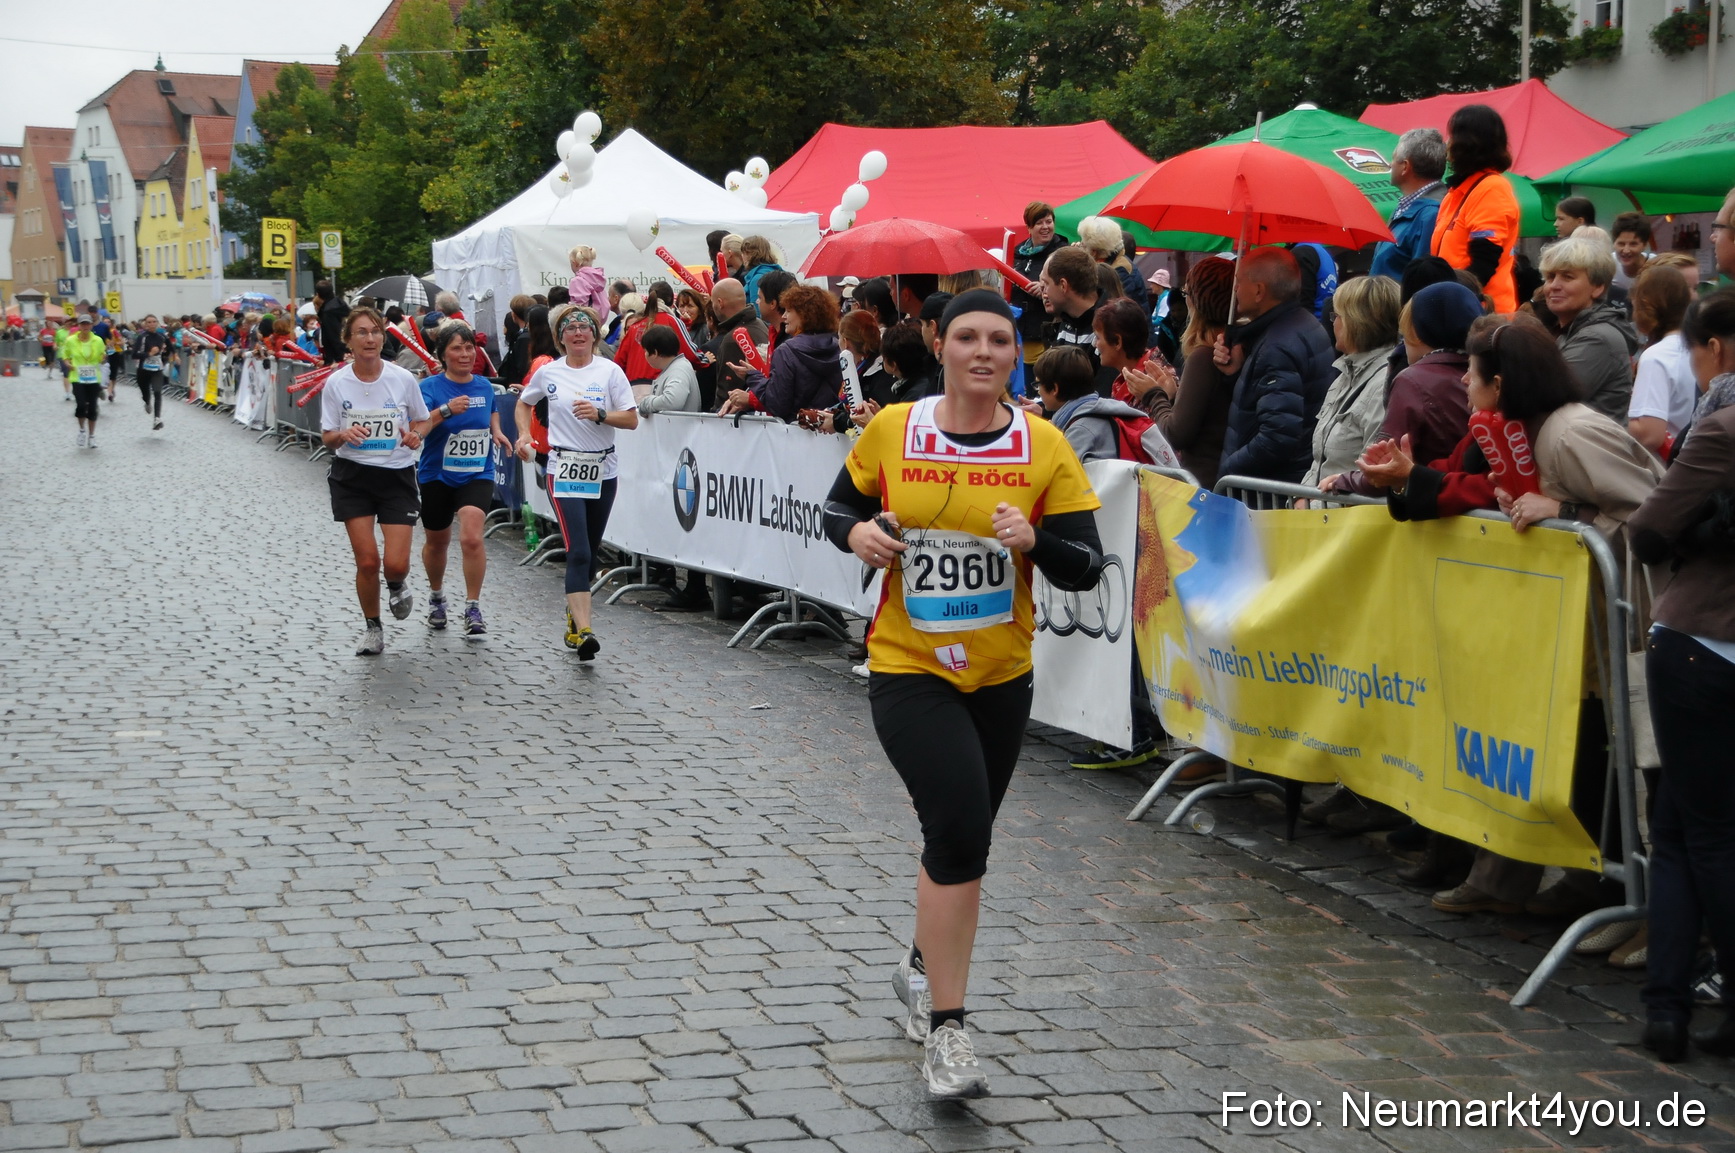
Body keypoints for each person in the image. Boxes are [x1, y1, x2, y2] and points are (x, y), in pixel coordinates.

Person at [822, 288, 1105, 1099]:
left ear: (1016, 354)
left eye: (1001, 340)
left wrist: (1035, 539)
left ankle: (921, 964)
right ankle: (949, 1033)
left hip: (1000, 674)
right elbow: (840, 504)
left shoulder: (1042, 444)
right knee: (956, 831)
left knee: (967, 834)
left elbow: (1084, 563)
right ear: (937, 343)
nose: (984, 352)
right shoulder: (893, 428)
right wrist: (856, 532)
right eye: (969, 337)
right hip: (909, 665)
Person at [1359, 320, 1663, 916]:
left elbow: (1652, 513)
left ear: (1499, 383)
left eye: (1471, 374)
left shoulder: (1571, 433)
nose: (1463, 385)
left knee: (1613, 753)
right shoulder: (1525, 431)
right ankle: (1592, 879)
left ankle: (1623, 893)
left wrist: (1566, 510)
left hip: (1622, 624)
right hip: (1577, 625)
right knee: (1578, 748)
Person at [1627, 288, 1735, 1063]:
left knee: (1700, 833)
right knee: (1677, 828)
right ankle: (1663, 1003)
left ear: (1716, 349)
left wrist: (1696, 526)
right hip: (1706, 642)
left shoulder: (1721, 427)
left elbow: (1648, 529)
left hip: (1701, 638)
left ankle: (1709, 998)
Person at [514, 304, 638, 658]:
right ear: (560, 337)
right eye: (570, 328)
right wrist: (524, 434)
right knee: (578, 550)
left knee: (590, 550)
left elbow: (630, 420)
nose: (578, 333)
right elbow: (524, 403)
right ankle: (584, 631)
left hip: (603, 469)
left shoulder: (610, 371)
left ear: (595, 334)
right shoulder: (549, 372)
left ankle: (573, 617)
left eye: (585, 327)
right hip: (563, 468)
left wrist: (601, 414)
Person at [318, 307, 432, 656]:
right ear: (348, 341)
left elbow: (422, 421)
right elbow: (327, 436)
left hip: (396, 475)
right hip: (353, 476)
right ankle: (373, 627)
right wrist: (343, 435)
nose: (370, 339)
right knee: (367, 560)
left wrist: (415, 436)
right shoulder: (337, 383)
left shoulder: (402, 378)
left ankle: (396, 582)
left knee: (394, 563)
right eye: (362, 333)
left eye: (375, 332)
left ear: (384, 337)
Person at [1323, 281, 1480, 499]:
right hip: (1471, 507)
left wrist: (1343, 481)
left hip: (1430, 512)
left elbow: (1384, 469)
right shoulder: (1481, 370)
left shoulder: (1413, 380)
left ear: (1416, 331)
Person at [415, 321, 511, 639]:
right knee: (437, 541)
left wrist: (496, 432)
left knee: (471, 537)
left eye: (469, 347)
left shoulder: (483, 385)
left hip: (476, 472)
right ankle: (437, 597)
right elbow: (419, 428)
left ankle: (473, 606)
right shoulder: (429, 388)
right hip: (437, 474)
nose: (465, 353)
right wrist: (445, 410)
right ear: (443, 354)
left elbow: (493, 410)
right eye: (457, 348)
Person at [1215, 247, 1336, 482]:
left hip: (1274, 490)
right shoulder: (1304, 323)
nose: (1235, 289)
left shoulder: (1277, 347)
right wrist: (1238, 371)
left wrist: (1228, 472)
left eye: (1239, 282)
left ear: (1259, 291)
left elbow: (1277, 437)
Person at [1120, 258, 1236, 487]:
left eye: (1186, 292)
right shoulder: (1231, 347)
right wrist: (1173, 396)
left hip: (1205, 484)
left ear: (1195, 300)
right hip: (1221, 478)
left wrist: (1153, 395)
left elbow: (1176, 433)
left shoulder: (1205, 355)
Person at [1300, 275, 1402, 490]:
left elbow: (1373, 476)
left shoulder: (1385, 385)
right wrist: (1301, 498)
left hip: (1344, 518)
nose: (1333, 323)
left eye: (1336, 316)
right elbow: (1320, 463)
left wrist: (1313, 505)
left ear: (1356, 322)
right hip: (1318, 513)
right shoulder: (1345, 373)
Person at [1431, 105, 1522, 313]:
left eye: (1452, 136)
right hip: (1460, 306)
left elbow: (1484, 263)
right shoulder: (1457, 191)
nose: (1447, 144)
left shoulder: (1491, 188)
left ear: (1467, 143)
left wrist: (1449, 300)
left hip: (1480, 313)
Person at [1541, 236, 1638, 422]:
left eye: (1567, 277)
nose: (1554, 286)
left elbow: (1545, 399)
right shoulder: (1570, 331)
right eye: (1550, 277)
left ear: (1597, 288)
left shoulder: (1597, 337)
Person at [722, 285, 844, 421]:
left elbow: (777, 404)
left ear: (805, 315)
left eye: (789, 311)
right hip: (831, 431)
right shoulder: (838, 346)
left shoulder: (786, 351)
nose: (784, 316)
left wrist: (752, 376)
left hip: (797, 431)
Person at [1627, 265, 1699, 456]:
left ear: (1644, 305)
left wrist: (1615, 423)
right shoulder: (1698, 347)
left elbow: (1650, 434)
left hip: (1667, 468)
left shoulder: (1657, 356)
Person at [1370, 129, 1448, 281]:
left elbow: (1423, 281)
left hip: (1402, 304)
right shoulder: (1408, 207)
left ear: (1405, 167)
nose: (1390, 164)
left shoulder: (1431, 214)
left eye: (1393, 158)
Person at [1040, 245, 1109, 392]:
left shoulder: (1110, 326)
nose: (1044, 292)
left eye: (1046, 284)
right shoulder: (1067, 322)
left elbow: (1104, 397)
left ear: (1063, 285)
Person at [1012, 202, 1069, 363]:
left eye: (1049, 221)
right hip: (1019, 334)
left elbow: (1070, 288)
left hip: (1047, 334)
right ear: (1029, 228)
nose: (1045, 227)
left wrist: (1045, 288)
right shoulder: (1017, 253)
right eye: (1039, 223)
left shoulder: (1063, 252)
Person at [700, 279, 769, 412]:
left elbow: (726, 392)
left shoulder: (733, 339)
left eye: (713, 302)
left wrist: (716, 416)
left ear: (720, 303)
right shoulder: (760, 325)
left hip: (740, 422)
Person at [1077, 216, 1149, 312]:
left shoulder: (1120, 271)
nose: (1080, 247)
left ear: (1094, 252)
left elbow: (1106, 309)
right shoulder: (1113, 262)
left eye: (1083, 245)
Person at [64, 316, 107, 448]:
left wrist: (104, 358)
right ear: (78, 326)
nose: (85, 327)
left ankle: (92, 436)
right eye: (83, 324)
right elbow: (65, 356)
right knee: (81, 405)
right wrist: (68, 364)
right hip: (78, 377)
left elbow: (102, 356)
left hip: (93, 377)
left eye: (87, 324)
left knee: (93, 406)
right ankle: (82, 430)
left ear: (91, 325)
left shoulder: (97, 340)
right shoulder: (71, 340)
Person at [636, 324, 699, 414]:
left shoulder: (678, 370)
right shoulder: (675, 367)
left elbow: (672, 401)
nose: (645, 354)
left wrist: (646, 403)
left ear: (655, 353)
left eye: (646, 351)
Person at [882, 321, 942, 404]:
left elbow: (905, 417)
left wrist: (875, 417)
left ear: (893, 364)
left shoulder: (912, 397)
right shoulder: (928, 381)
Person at [132, 315, 172, 431]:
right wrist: (149, 354)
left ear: (157, 323)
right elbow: (134, 354)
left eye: (154, 321)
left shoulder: (162, 336)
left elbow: (170, 348)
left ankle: (157, 419)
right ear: (145, 324)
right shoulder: (142, 337)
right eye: (149, 322)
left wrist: (167, 358)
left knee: (158, 391)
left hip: (157, 369)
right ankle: (147, 401)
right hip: (143, 370)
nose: (152, 324)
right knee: (145, 393)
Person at [738, 236, 784, 318]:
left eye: (743, 253)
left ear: (749, 254)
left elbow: (757, 313)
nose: (742, 257)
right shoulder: (777, 272)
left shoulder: (757, 278)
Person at [567, 245, 610, 325]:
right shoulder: (598, 279)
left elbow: (578, 307)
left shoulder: (577, 281)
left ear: (574, 263)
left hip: (584, 324)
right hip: (598, 322)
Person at [1611, 212, 1654, 291]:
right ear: (1614, 244)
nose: (1626, 250)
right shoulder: (1608, 264)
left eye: (1633, 244)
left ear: (1645, 245)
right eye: (1621, 244)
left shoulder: (1657, 266)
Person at [316, 280, 350, 366]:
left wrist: (337, 359)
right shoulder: (341, 304)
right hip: (347, 350)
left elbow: (334, 336)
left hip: (337, 357)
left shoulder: (328, 312)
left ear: (318, 294)